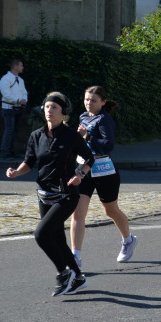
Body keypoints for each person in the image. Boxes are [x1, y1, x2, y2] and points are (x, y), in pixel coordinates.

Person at [5, 92, 94, 296]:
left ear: (63, 113)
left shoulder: (71, 136)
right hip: (44, 194)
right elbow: (29, 162)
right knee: (57, 239)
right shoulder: (37, 135)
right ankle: (78, 277)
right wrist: (17, 172)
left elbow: (89, 158)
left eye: (54, 107)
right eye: (46, 107)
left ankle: (63, 273)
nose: (49, 111)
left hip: (67, 194)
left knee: (41, 234)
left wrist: (80, 174)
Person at [69, 86, 136, 269]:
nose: (89, 103)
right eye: (86, 99)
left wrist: (88, 136)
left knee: (111, 210)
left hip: (104, 168)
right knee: (78, 212)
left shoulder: (105, 119)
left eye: (93, 100)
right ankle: (75, 257)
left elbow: (108, 145)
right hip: (83, 168)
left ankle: (128, 240)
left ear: (103, 102)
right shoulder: (83, 117)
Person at [0, 58, 28, 160]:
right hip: (8, 108)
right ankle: (5, 152)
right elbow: (6, 95)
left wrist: (24, 100)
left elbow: (24, 92)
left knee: (14, 130)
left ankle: (11, 151)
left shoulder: (21, 80)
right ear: (15, 66)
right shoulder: (5, 79)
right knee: (9, 130)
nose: (22, 68)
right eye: (21, 65)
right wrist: (19, 100)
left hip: (18, 108)